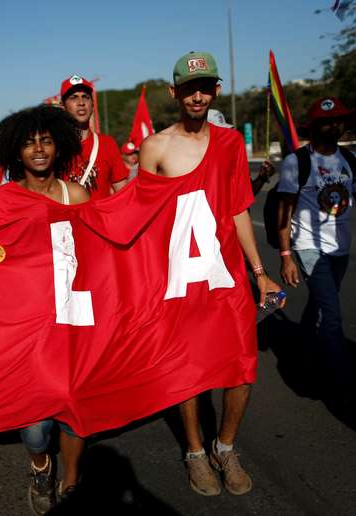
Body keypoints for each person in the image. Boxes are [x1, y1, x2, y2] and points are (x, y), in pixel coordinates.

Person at [139, 51, 284, 497]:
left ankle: (226, 445)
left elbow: (239, 208)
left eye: (205, 88)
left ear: (215, 91)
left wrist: (260, 272)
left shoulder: (229, 144)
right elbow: (144, 221)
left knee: (242, 368)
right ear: (174, 92)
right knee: (188, 370)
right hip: (180, 279)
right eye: (188, 88)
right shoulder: (155, 148)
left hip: (226, 276)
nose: (197, 96)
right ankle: (196, 453)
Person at [0, 105, 90, 514]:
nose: (39, 149)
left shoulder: (76, 194)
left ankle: (71, 480)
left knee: (75, 409)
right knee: (34, 425)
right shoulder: (5, 201)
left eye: (46, 140)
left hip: (74, 316)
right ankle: (41, 465)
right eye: (29, 143)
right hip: (27, 325)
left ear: (58, 144)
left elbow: (98, 254)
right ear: (16, 152)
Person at [275, 97, 355, 402]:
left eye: (338, 120)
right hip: (309, 248)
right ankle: (342, 386)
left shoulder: (348, 159)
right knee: (332, 314)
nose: (334, 126)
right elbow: (285, 212)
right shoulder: (298, 162)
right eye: (326, 121)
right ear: (314, 127)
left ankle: (302, 355)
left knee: (319, 306)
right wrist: (285, 256)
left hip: (340, 248)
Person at [60, 74, 128, 198]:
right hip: (67, 216)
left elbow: (123, 194)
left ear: (92, 105)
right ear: (63, 106)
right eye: (73, 97)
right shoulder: (55, 146)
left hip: (100, 217)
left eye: (85, 97)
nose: (81, 103)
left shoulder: (107, 144)